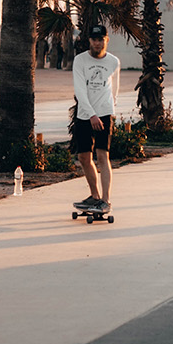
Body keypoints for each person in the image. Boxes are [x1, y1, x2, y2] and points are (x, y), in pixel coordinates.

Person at [70, 24, 119, 213]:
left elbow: (114, 87)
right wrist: (91, 114)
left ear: (106, 40)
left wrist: (110, 110)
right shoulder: (80, 60)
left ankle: (105, 201)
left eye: (101, 39)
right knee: (83, 157)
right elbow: (80, 90)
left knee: (102, 155)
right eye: (94, 39)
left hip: (105, 114)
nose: (97, 43)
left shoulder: (113, 62)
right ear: (89, 40)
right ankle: (95, 196)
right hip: (85, 114)